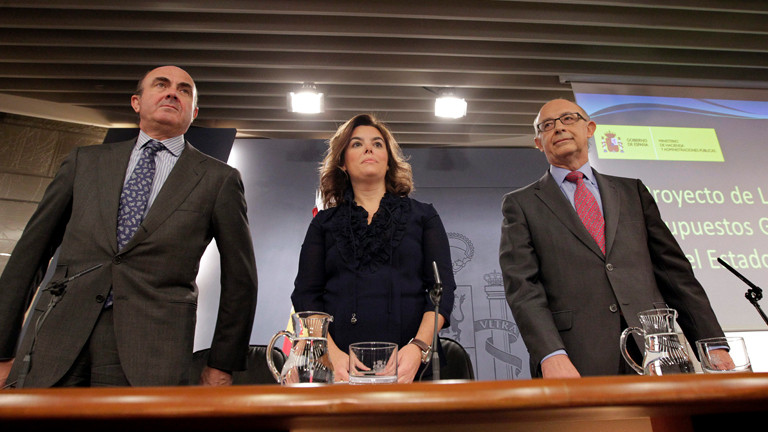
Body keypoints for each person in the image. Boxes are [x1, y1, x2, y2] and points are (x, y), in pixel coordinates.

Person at [0, 66, 258, 388]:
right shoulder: (84, 162)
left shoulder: (219, 179)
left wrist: (222, 363)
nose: (172, 93)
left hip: (151, 351)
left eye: (184, 90)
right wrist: (2, 347)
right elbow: (30, 253)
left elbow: (240, 279)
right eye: (161, 85)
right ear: (136, 102)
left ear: (194, 113)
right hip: (56, 338)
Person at [499, 99, 726, 378]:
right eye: (547, 125)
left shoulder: (632, 192)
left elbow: (675, 274)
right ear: (538, 143)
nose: (558, 128)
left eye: (568, 119)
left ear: (590, 128)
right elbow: (523, 287)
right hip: (576, 358)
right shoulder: (521, 204)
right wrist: (550, 353)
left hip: (656, 351)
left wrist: (712, 343)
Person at [292, 114, 455, 383]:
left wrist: (419, 348)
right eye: (357, 144)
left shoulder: (425, 217)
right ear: (342, 162)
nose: (369, 149)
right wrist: (330, 353)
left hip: (413, 369)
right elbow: (306, 296)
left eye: (377, 144)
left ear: (388, 160)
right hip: (339, 370)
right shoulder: (322, 224)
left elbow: (442, 291)